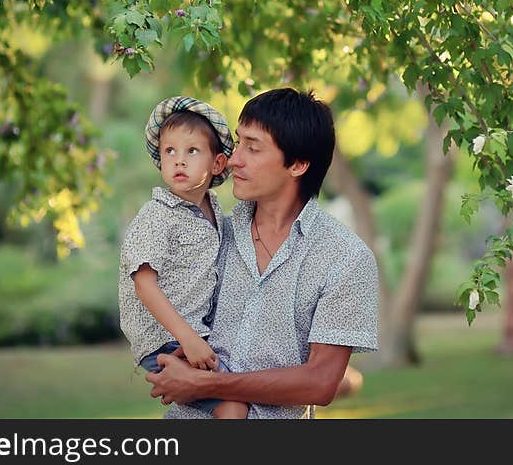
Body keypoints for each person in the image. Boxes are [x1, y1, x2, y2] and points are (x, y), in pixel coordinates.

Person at [147, 87, 379, 419]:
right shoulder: (210, 236)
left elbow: (322, 382)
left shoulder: (345, 258)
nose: (234, 158)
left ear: (298, 164)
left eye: (252, 148)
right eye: (239, 142)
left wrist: (205, 385)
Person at [119, 96, 248, 419]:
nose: (179, 161)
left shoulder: (215, 210)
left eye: (192, 151)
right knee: (233, 407)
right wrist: (188, 340)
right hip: (166, 339)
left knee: (247, 384)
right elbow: (145, 284)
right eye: (169, 151)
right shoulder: (157, 215)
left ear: (217, 164)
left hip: (196, 333)